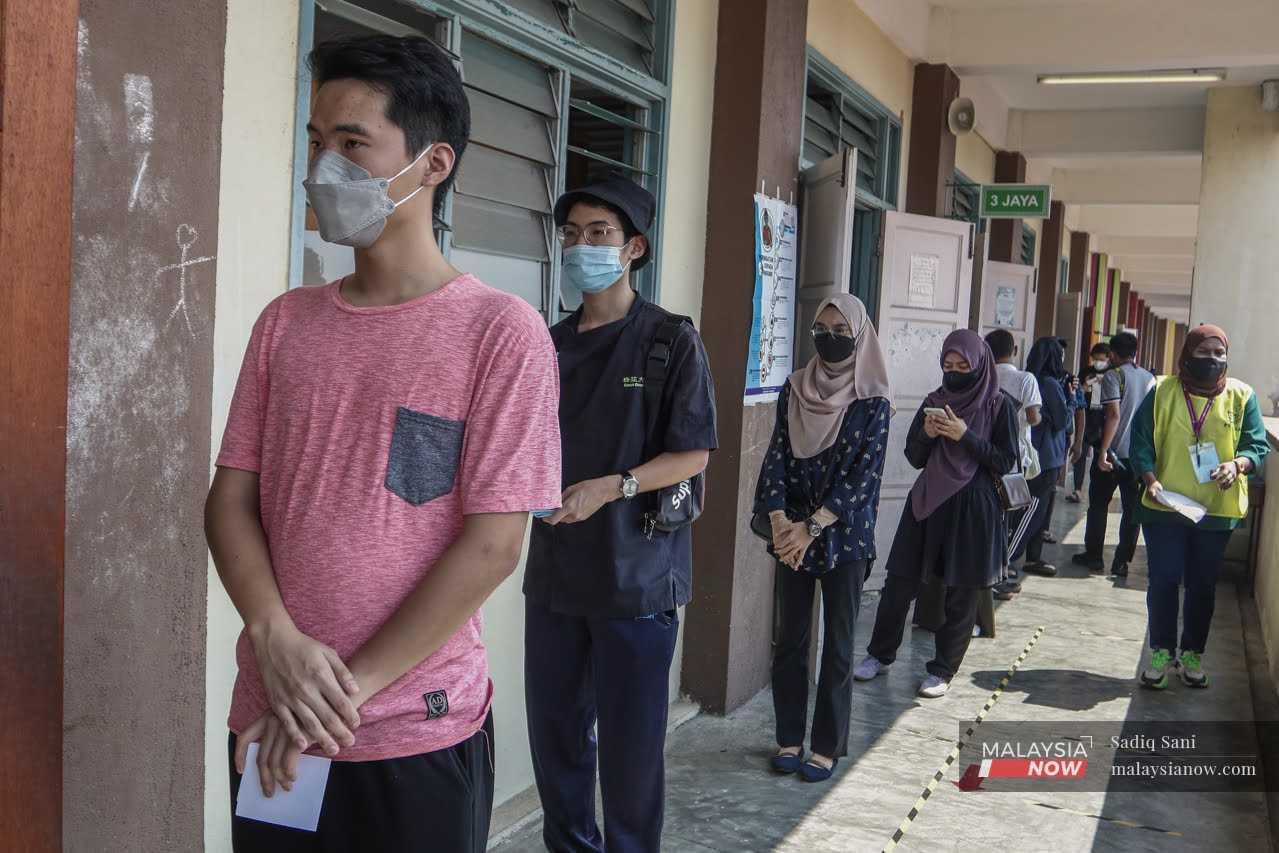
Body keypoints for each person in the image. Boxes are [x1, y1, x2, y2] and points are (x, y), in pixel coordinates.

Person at [205, 36, 563, 852]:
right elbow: (231, 498)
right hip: (272, 726)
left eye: (353, 143)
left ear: (433, 163)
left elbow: (494, 545)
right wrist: (272, 635)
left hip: (414, 732)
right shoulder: (286, 324)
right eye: (316, 141)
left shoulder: (497, 333)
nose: (324, 165)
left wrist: (340, 695)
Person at [524, 174, 718, 853]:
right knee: (556, 744)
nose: (582, 247)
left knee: (630, 755)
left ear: (633, 247)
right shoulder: (544, 344)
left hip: (635, 579)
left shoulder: (668, 341)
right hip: (554, 576)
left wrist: (612, 485)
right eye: (572, 234)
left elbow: (691, 453)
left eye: (598, 234)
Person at [754, 295, 891, 784]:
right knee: (789, 638)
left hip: (843, 538)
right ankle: (789, 736)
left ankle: (827, 746)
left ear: (859, 337)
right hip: (790, 533)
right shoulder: (794, 389)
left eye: (840, 329)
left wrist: (813, 527)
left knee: (836, 643)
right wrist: (778, 522)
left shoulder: (873, 400)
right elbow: (775, 457)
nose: (829, 336)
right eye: (821, 327)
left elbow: (863, 477)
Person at [854, 330, 1018, 698]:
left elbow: (1007, 461)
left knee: (961, 594)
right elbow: (915, 457)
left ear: (980, 365)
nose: (955, 372)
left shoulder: (998, 405)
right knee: (898, 582)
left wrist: (965, 436)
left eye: (963, 366)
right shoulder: (935, 400)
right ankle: (879, 655)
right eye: (948, 365)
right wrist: (927, 433)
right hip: (927, 502)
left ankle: (942, 670)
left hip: (974, 508)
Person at [1131, 325, 1268, 688]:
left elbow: (1257, 445)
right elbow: (1140, 441)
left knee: (1203, 586)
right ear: (1187, 353)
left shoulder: (1242, 395)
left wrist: (1238, 464)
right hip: (1165, 507)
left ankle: (1193, 654)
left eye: (1218, 354)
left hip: (1215, 511)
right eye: (1203, 353)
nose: (1212, 360)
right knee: (1163, 580)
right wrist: (1149, 477)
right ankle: (1161, 652)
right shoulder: (1161, 390)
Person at [1073, 333, 1155, 577]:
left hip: (1114, 453)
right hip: (1139, 457)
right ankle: (1121, 562)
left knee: (1098, 505)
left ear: (1113, 355)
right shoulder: (1149, 378)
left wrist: (1104, 452)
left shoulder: (1113, 375)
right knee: (1132, 510)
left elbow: (1113, 415)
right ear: (1135, 352)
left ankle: (1094, 557)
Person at [1007, 337, 1077, 577]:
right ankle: (1011, 558)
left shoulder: (1027, 379)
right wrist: (1072, 399)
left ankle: (1029, 557)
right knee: (1036, 508)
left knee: (1028, 507)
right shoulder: (1050, 384)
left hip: (1028, 454)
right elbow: (1063, 423)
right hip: (1047, 457)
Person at [985, 329, 1041, 597]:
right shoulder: (1025, 378)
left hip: (986, 453)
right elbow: (1033, 417)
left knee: (993, 516)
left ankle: (994, 573)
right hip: (1015, 454)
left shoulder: (984, 376)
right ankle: (1000, 573)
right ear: (1015, 351)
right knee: (1011, 513)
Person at [1066, 343, 1113, 503]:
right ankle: (1077, 489)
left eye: (1101, 359)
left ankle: (1097, 490)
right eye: (1095, 359)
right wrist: (1085, 386)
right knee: (1080, 454)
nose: (1097, 362)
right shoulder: (1086, 372)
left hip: (1104, 420)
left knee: (1101, 456)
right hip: (1087, 418)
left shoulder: (1112, 374)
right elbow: (1078, 391)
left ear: (1108, 358)